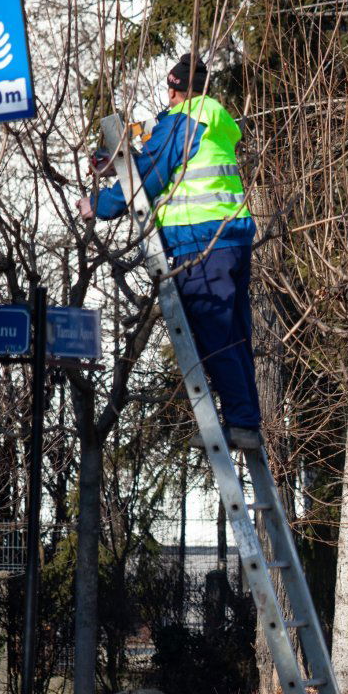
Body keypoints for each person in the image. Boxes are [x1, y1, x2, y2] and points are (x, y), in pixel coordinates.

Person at [78, 54, 262, 450]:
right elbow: (157, 152)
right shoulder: (211, 119)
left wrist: (100, 204)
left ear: (175, 89)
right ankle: (245, 421)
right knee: (233, 335)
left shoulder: (185, 121)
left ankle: (241, 423)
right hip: (230, 238)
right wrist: (116, 161)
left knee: (214, 334)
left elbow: (151, 172)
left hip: (201, 239)